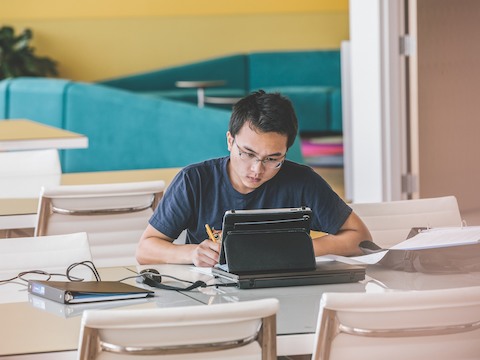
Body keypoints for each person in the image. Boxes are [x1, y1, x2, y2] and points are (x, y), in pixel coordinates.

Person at [137, 90, 372, 267]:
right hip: (210, 296)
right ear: (230, 141)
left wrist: (297, 249)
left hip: (286, 293)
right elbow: (145, 249)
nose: (257, 170)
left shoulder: (302, 181)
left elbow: (361, 239)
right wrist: (191, 253)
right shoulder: (194, 181)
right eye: (248, 154)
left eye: (273, 159)